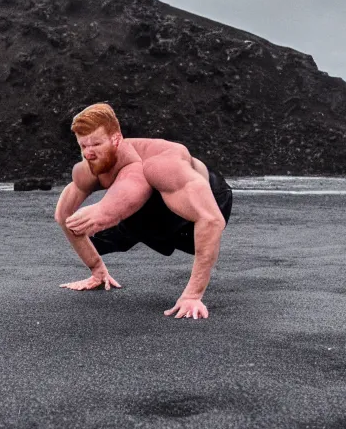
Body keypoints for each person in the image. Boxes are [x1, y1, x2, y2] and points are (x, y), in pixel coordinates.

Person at [53, 103, 233, 320]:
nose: (89, 153)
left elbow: (211, 219)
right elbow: (63, 216)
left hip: (210, 199)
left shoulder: (162, 164)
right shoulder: (90, 168)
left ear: (116, 139)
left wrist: (192, 296)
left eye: (97, 144)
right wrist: (96, 269)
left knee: (147, 186)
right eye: (83, 146)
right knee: (92, 230)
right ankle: (110, 246)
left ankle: (121, 216)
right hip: (148, 214)